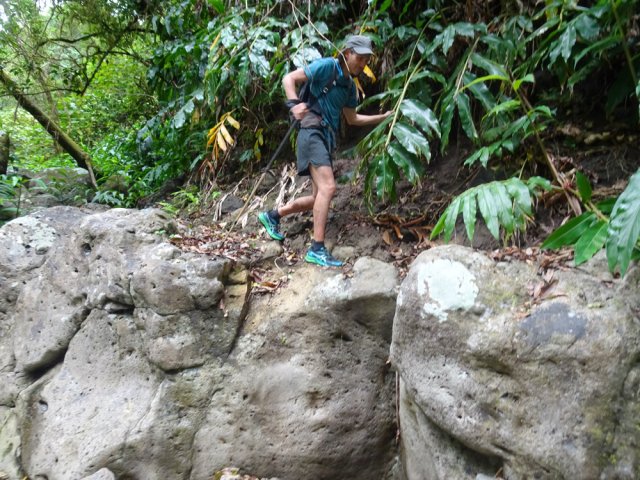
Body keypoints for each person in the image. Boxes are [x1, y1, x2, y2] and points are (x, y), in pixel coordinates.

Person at [258, 34, 392, 267]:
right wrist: (294, 104)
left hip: (326, 138)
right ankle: (317, 249)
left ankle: (273, 216)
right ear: (347, 53)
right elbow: (289, 78)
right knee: (329, 187)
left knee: (317, 197)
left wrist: (382, 118)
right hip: (312, 132)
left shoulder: (349, 87)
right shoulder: (327, 66)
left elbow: (352, 118)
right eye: (359, 58)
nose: (363, 64)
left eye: (366, 60)